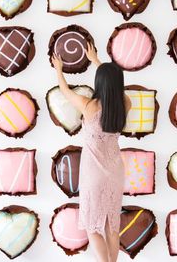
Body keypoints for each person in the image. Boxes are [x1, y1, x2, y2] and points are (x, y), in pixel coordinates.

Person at [52, 43, 131, 262]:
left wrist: (58, 69)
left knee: (93, 227)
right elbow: (114, 86)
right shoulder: (125, 103)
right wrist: (96, 61)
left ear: (99, 82)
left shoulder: (89, 106)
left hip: (93, 174)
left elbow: (65, 91)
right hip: (115, 172)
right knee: (111, 226)